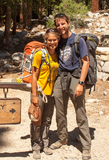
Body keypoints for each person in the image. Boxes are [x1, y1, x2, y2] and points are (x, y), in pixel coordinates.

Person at [50, 13, 91, 160]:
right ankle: (62, 138)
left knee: (80, 112)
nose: (60, 27)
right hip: (60, 78)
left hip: (75, 78)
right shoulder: (58, 40)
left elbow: (85, 62)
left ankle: (86, 146)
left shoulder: (78, 40)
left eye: (62, 24)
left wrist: (81, 83)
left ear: (68, 23)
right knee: (60, 112)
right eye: (58, 25)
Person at [30, 29, 60, 159]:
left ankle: (45, 144)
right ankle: (36, 147)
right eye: (50, 40)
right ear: (46, 41)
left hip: (51, 94)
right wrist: (34, 96)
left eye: (54, 40)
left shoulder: (57, 54)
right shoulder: (39, 54)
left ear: (58, 40)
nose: (52, 42)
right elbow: (34, 76)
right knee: (37, 120)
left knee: (47, 120)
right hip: (40, 93)